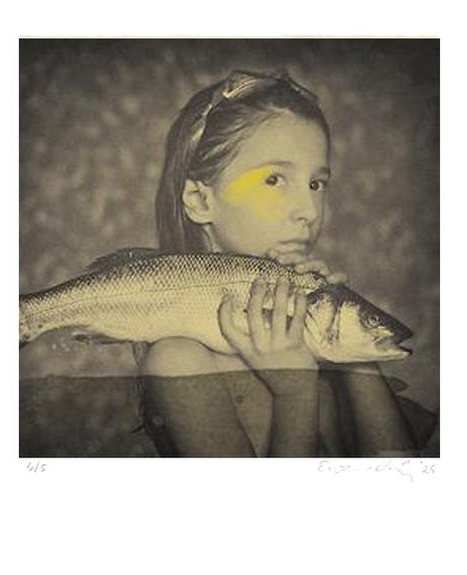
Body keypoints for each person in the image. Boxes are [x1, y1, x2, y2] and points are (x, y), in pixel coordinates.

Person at [134, 69, 425, 458]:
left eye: (316, 184)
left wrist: (354, 345)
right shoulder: (180, 360)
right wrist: (295, 390)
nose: (309, 210)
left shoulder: (313, 328)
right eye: (274, 180)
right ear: (201, 201)